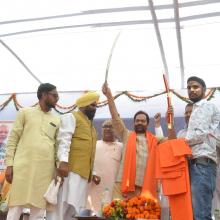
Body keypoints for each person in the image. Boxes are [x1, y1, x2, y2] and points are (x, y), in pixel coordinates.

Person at [5, 83, 60, 220]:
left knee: (39, 211)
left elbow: (58, 147)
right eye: (54, 95)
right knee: (15, 208)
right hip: (23, 168)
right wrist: (9, 165)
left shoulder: (57, 119)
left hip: (44, 172)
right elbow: (13, 140)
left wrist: (57, 170)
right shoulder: (25, 113)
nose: (57, 98)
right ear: (44, 94)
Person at [102, 83, 163, 200]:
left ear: (147, 124)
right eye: (137, 121)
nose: (140, 123)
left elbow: (171, 141)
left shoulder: (155, 140)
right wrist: (109, 96)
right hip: (123, 185)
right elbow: (115, 118)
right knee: (117, 215)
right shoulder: (126, 134)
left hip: (145, 187)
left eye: (143, 121)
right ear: (134, 122)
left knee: (143, 217)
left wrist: (167, 121)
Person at [46, 91, 100, 220]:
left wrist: (93, 172)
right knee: (61, 207)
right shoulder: (71, 117)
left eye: (95, 106)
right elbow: (64, 140)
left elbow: (90, 152)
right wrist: (63, 162)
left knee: (75, 209)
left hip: (83, 174)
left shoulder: (91, 127)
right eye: (92, 105)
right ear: (83, 106)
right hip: (70, 171)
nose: (94, 108)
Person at [185, 76, 220, 220]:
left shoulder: (206, 106)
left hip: (202, 165)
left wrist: (182, 144)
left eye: (195, 87)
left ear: (204, 90)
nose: (191, 90)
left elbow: (202, 133)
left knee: (201, 215)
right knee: (197, 213)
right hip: (197, 164)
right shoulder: (195, 108)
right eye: (189, 88)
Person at [86, 119, 123, 214]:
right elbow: (87, 163)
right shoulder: (94, 144)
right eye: (105, 126)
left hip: (113, 193)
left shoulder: (122, 147)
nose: (107, 129)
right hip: (93, 190)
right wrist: (92, 174)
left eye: (110, 126)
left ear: (117, 130)